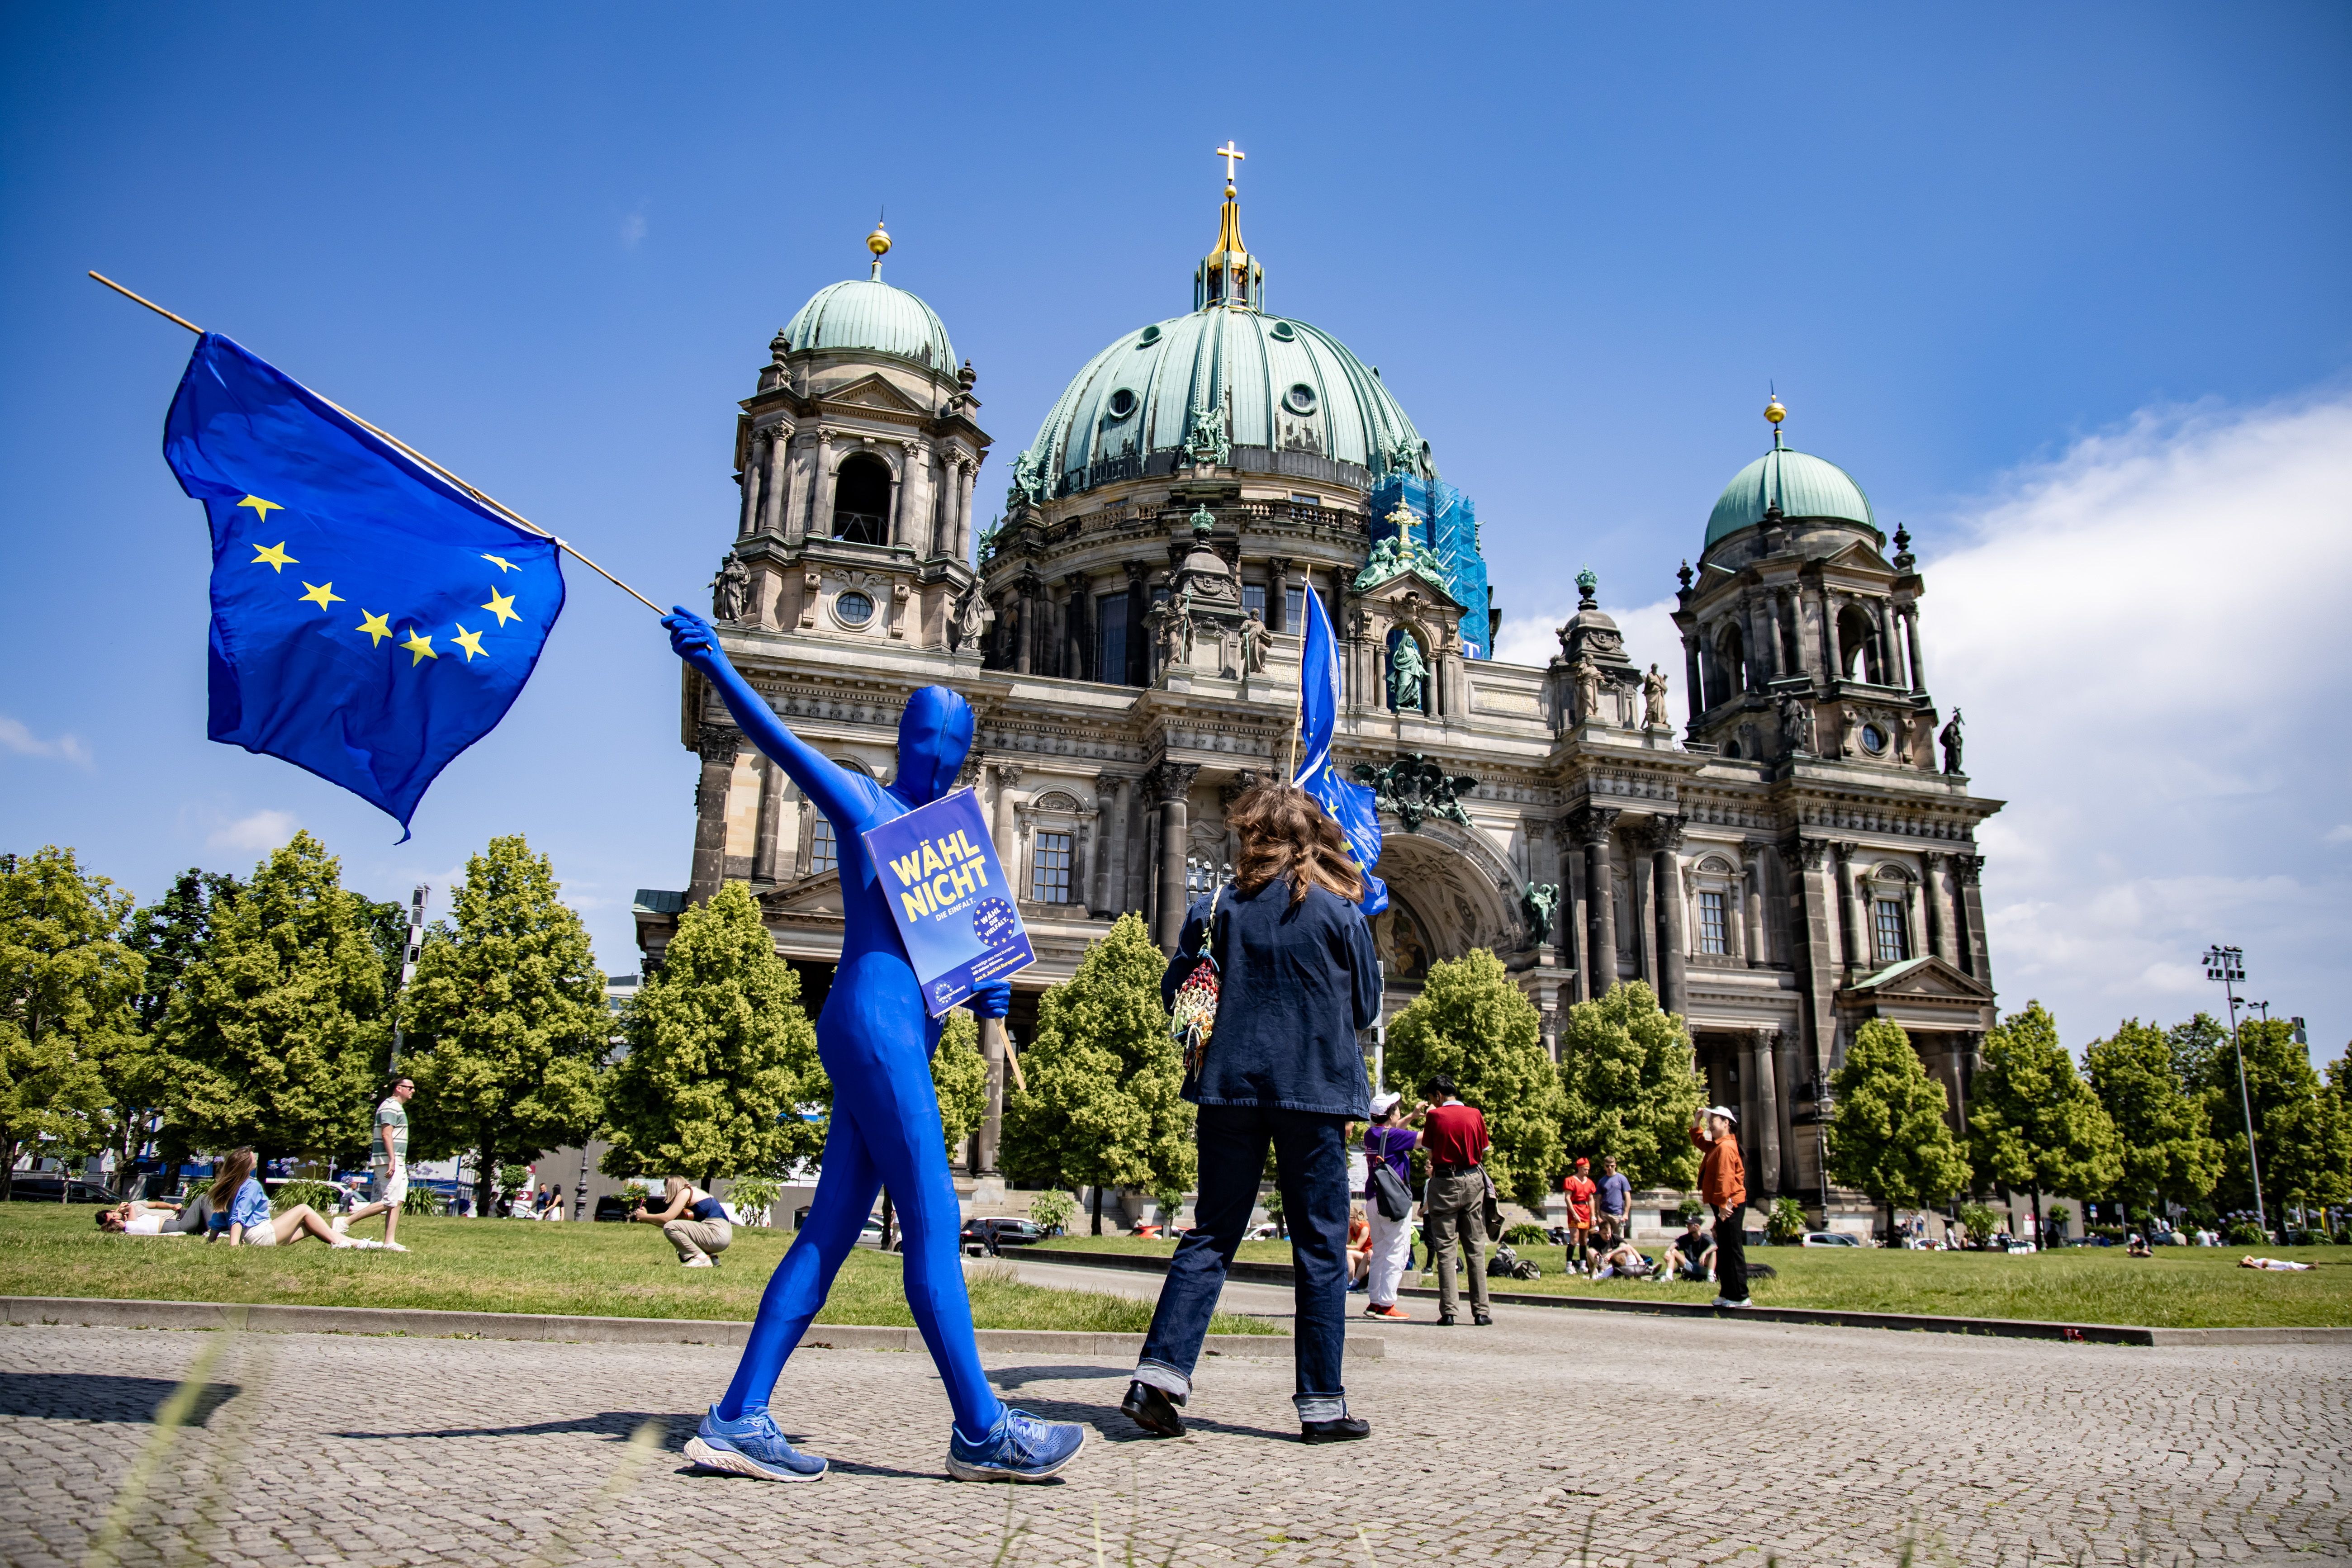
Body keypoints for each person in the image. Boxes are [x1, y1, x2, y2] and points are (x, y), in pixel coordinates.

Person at [662, 606, 1081, 1484]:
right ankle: (980, 1425)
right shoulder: (869, 802)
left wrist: (986, 979)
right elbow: (779, 743)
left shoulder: (949, 840)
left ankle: (737, 1414)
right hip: (876, 1027)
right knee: (934, 1219)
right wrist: (720, 662)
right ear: (902, 736)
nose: (940, 751)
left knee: (826, 1233)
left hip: (890, 1029)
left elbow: (960, 957)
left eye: (955, 741)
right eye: (928, 733)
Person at [1120, 780, 1380, 1446]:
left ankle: (1158, 1379)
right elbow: (1367, 1004)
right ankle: (1322, 1404)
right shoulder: (1340, 910)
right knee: (1321, 1249)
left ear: (1251, 836)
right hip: (1315, 1091)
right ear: (1311, 837)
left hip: (1229, 1085)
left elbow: (1177, 987)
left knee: (1212, 1233)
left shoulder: (1218, 907)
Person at [1420, 1074, 1494, 1328]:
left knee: (1446, 1250)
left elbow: (1430, 1153)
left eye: (1432, 1099)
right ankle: (1481, 1312)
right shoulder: (1475, 1114)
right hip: (1473, 1179)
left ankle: (1449, 1311)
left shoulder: (1435, 1117)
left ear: (1438, 1096)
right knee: (1475, 1247)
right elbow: (1483, 1150)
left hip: (1444, 1183)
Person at [206, 1149, 359, 1248]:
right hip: (259, 1235)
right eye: (254, 1158)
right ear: (247, 1165)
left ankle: (354, 1244)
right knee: (304, 1209)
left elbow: (219, 1218)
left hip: (253, 1237)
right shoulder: (250, 1185)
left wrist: (211, 1242)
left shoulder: (231, 1186)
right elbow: (239, 1217)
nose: (256, 1160)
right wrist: (234, 1246)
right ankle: (342, 1242)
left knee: (313, 1226)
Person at [332, 1076, 414, 1253]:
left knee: (398, 1200)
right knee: (390, 1201)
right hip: (388, 1160)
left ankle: (389, 1242)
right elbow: (387, 1134)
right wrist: (392, 1159)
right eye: (410, 1087)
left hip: (396, 1160)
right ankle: (344, 1222)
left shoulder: (397, 1107)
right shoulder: (390, 1106)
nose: (413, 1091)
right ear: (398, 1088)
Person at [1361, 1091, 1419, 1321]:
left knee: (1381, 1251)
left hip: (1374, 1200)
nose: (1400, 1111)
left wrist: (1412, 1117)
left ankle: (1375, 1302)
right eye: (1397, 1108)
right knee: (1398, 1250)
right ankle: (1387, 1304)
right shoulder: (1393, 1136)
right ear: (1391, 1113)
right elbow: (1424, 1139)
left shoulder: (1371, 1135)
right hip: (1393, 1201)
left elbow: (1393, 1132)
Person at [1691, 1107, 1751, 1307]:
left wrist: (1725, 1204)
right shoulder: (1719, 1145)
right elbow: (1699, 1142)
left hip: (1730, 1204)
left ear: (1726, 1124)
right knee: (1724, 1250)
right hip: (1724, 1204)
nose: (1710, 1126)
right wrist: (1696, 1122)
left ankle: (1741, 1296)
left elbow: (1725, 1178)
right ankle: (1728, 1293)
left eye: (1713, 1122)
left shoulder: (1725, 1147)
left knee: (1733, 1251)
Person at [637, 1177, 733, 1267]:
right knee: (674, 1228)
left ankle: (701, 1259)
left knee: (671, 1226)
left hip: (716, 1233)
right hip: (723, 1236)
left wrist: (645, 1216)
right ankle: (713, 1259)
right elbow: (672, 1225)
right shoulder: (698, 1194)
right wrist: (648, 1221)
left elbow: (668, 1219)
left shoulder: (685, 1192)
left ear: (672, 1187)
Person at [1561, 1158, 1597, 1267]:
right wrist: (1574, 1213)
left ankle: (1583, 1264)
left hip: (1585, 1211)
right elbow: (1568, 1198)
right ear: (1579, 1168)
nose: (1587, 1171)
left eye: (1588, 1169)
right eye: (1584, 1169)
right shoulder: (1570, 1180)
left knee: (1584, 1240)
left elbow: (1591, 1199)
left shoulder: (1590, 1183)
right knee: (1574, 1238)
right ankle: (1569, 1265)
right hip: (1575, 1209)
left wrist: (1593, 1216)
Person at [1664, 1215, 1714, 1282]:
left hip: (1703, 1266)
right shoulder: (1685, 1238)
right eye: (1687, 1224)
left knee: (1713, 1252)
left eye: (1690, 1225)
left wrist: (1704, 1253)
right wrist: (1668, 1251)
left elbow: (1714, 1246)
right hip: (1689, 1266)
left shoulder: (1705, 1238)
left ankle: (1711, 1277)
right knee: (1672, 1251)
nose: (1687, 1226)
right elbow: (1675, 1244)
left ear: (1697, 1227)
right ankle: (1669, 1277)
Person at [1596, 1156, 1632, 1247]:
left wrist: (1626, 1214)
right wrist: (1598, 1215)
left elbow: (1628, 1197)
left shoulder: (1622, 1179)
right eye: (1607, 1166)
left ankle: (1619, 1259)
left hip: (1618, 1214)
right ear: (1605, 1166)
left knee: (1619, 1239)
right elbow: (1598, 1199)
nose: (1610, 1168)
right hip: (1605, 1213)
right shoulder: (1602, 1181)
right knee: (1605, 1237)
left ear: (1615, 1165)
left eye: (1612, 1166)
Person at [97, 1200, 187, 1236]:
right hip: (172, 1225)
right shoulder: (128, 1225)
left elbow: (156, 1204)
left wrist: (173, 1206)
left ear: (113, 1211)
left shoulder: (134, 1205)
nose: (116, 1218)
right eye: (113, 1220)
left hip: (179, 1214)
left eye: (114, 1215)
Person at [1346, 1206, 1372, 1291]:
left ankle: (1351, 1283)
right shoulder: (1351, 1229)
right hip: (1362, 1255)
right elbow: (1347, 1244)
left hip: (1368, 1254)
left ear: (1354, 1217)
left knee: (1349, 1253)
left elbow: (1358, 1247)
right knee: (1346, 1254)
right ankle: (1348, 1282)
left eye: (1348, 1218)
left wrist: (1342, 1246)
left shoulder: (1364, 1228)